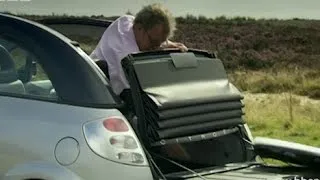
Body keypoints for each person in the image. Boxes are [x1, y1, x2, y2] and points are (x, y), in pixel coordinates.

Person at [90, 3, 187, 97]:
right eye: (153, 42)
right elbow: (129, 96)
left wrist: (169, 44)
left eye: (160, 42)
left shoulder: (126, 21)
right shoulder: (125, 58)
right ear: (139, 28)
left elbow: (155, 37)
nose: (156, 47)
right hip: (94, 88)